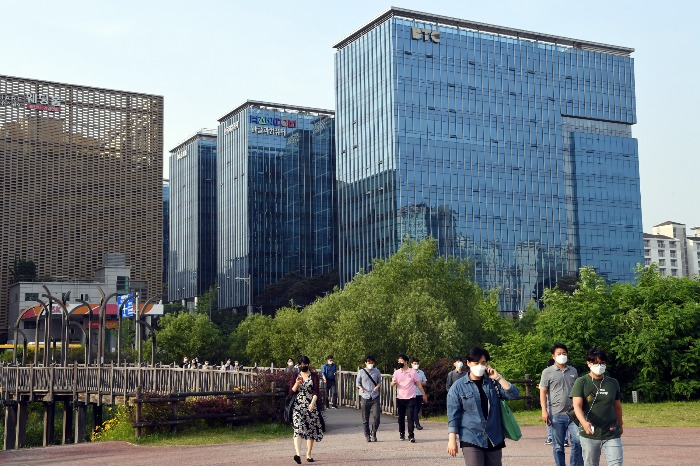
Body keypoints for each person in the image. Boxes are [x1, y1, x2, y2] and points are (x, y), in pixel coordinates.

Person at [447, 346, 520, 466]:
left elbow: (514, 394)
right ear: (468, 363)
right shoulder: (457, 387)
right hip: (471, 437)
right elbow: (453, 415)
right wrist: (452, 439)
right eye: (476, 363)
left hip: (494, 436)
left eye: (483, 363)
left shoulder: (492, 383)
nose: (480, 366)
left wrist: (498, 378)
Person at [570, 348, 623, 466]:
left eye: (602, 363)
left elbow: (617, 407)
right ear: (589, 363)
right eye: (596, 363)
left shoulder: (612, 383)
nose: (599, 366)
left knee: (616, 463)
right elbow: (577, 406)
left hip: (611, 432)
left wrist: (620, 424)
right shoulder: (582, 381)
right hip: (590, 433)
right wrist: (584, 422)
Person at [540, 343, 582, 466]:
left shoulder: (573, 371)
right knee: (558, 446)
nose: (562, 355)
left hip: (574, 413)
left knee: (578, 441)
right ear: (553, 356)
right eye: (559, 354)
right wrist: (544, 410)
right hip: (556, 414)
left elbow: (578, 391)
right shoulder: (547, 372)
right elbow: (543, 391)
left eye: (564, 353)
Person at [289, 355, 323, 463]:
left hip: (310, 405)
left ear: (308, 364)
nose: (303, 366)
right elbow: (291, 392)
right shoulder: (296, 375)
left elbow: (316, 391)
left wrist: (313, 403)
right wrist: (297, 383)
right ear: (298, 365)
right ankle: (298, 455)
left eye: (305, 364)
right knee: (297, 428)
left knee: (310, 431)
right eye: (301, 364)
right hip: (298, 405)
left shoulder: (314, 376)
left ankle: (308, 454)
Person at [391, 353, 428, 443]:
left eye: (401, 361)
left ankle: (411, 435)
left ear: (406, 362)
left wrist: (424, 394)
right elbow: (392, 384)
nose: (400, 362)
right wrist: (394, 383)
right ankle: (402, 433)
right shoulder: (397, 372)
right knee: (401, 417)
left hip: (411, 398)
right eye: (398, 361)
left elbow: (418, 384)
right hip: (400, 398)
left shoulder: (412, 372)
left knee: (410, 416)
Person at [356, 354, 382, 442]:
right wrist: (360, 388)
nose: (370, 364)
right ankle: (367, 434)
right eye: (368, 362)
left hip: (375, 395)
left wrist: (377, 387)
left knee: (377, 416)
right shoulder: (361, 372)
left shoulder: (377, 371)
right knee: (365, 417)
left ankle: (374, 432)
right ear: (365, 363)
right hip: (365, 396)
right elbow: (357, 383)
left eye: (371, 362)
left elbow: (379, 382)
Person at [411, 357, 427, 430]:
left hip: (419, 393)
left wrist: (419, 383)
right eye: (415, 363)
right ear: (411, 364)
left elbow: (425, 382)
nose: (416, 365)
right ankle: (417, 424)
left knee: (417, 409)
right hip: (411, 394)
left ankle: (412, 421)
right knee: (415, 409)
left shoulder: (421, 372)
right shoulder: (409, 372)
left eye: (417, 363)